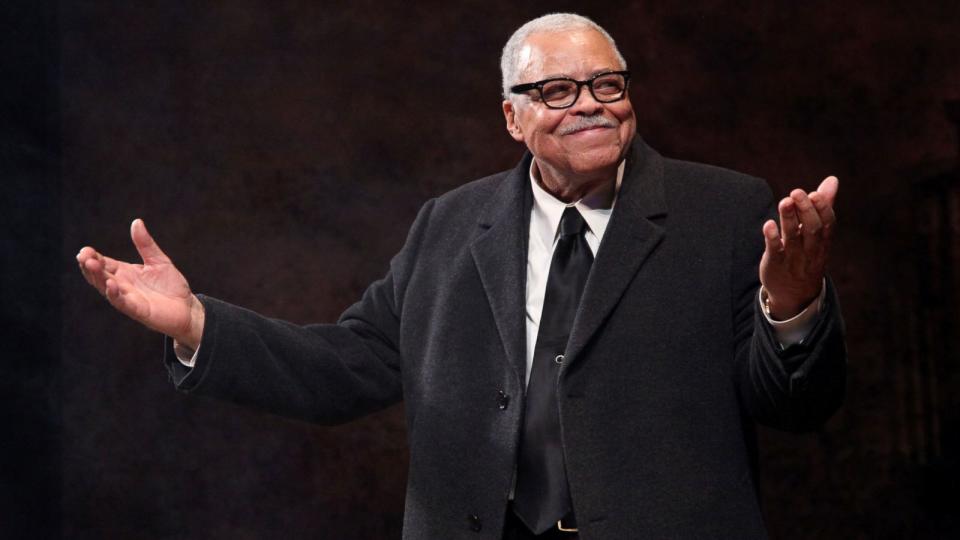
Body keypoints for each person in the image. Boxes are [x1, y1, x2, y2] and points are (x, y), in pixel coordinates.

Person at [77, 13, 846, 540]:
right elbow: (349, 368)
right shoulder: (448, 224)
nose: (590, 107)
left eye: (608, 85)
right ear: (512, 117)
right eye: (557, 91)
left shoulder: (727, 210)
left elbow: (797, 406)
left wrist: (793, 302)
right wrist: (196, 327)